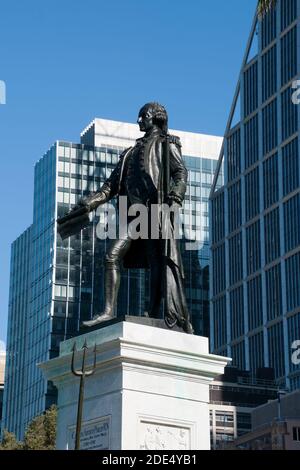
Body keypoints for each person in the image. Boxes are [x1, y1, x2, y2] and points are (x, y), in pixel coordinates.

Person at [67, 103, 193, 334]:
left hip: (156, 209)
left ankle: (155, 313)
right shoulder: (129, 153)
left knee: (158, 262)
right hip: (134, 215)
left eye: (142, 116)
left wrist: (175, 196)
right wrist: (90, 202)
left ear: (154, 118)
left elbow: (180, 172)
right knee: (112, 256)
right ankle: (107, 312)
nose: (138, 120)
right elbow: (110, 186)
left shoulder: (167, 144)